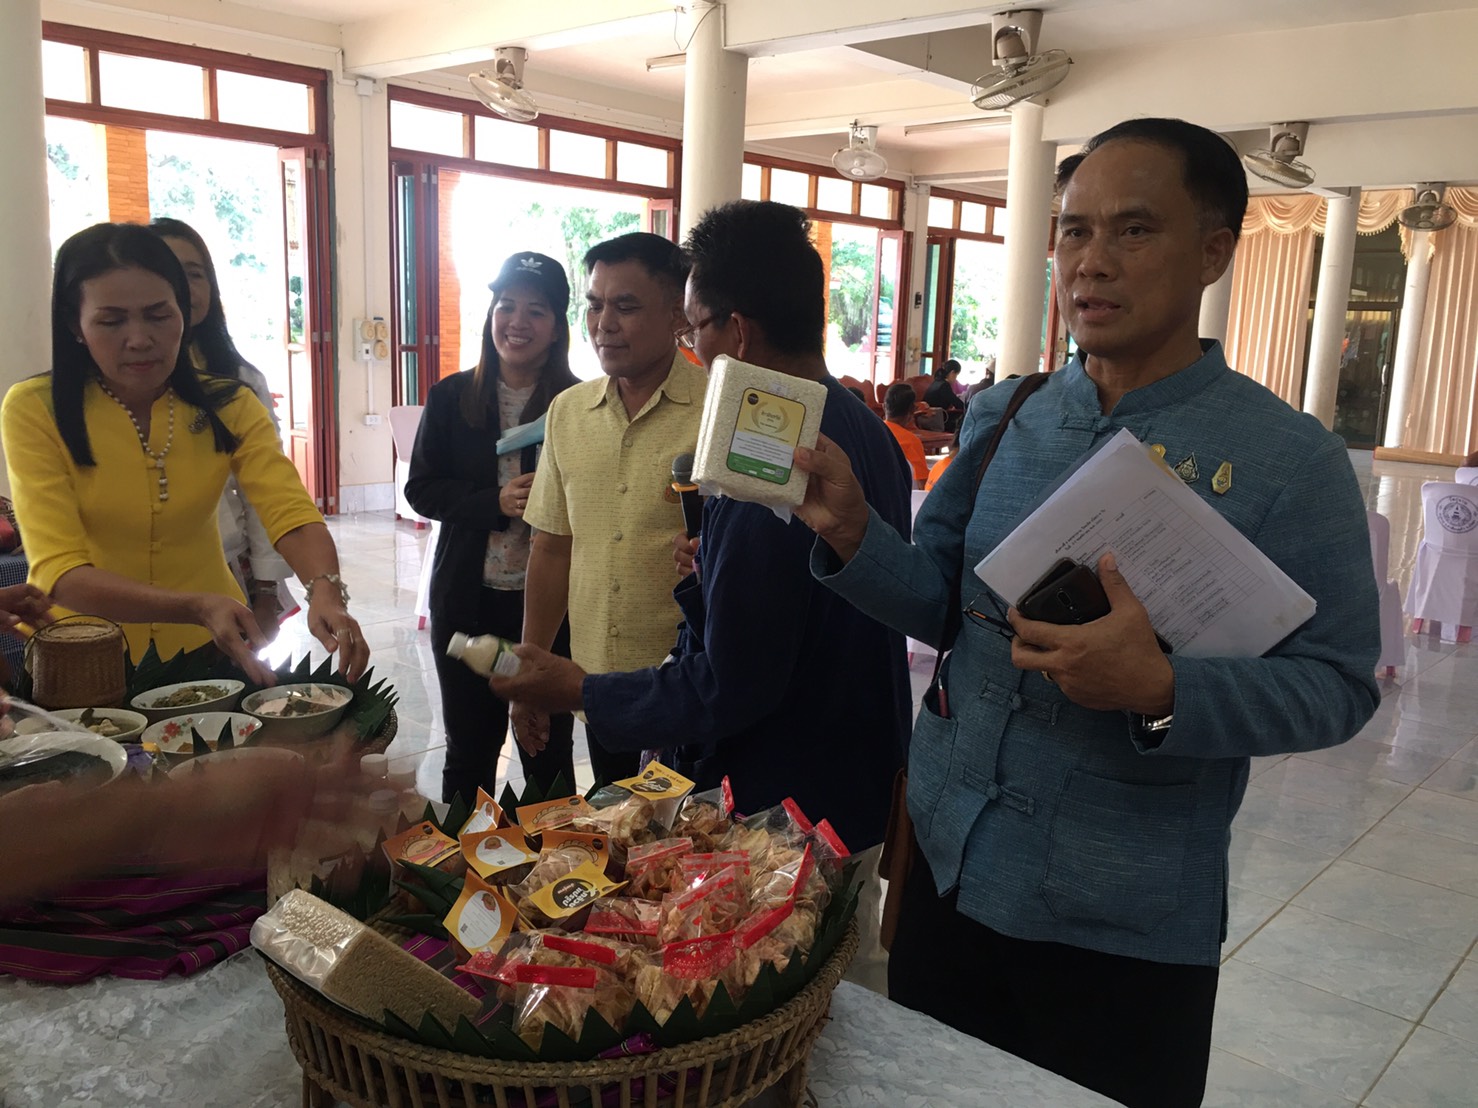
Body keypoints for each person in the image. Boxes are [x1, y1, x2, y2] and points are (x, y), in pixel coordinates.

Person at [792, 118, 1381, 1107]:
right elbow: (940, 605)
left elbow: (1336, 687)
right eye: (1070, 232)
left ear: (1212, 250)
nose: (1088, 263)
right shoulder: (1007, 413)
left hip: (1120, 919)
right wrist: (855, 536)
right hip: (949, 872)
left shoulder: (1288, 461)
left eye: (1132, 231)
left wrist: (1161, 689)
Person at [490, 200, 913, 989]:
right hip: (856, 767)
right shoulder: (859, 427)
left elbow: (734, 682)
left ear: (738, 333)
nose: (694, 349)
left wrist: (573, 685)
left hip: (787, 799)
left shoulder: (765, 445)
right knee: (845, 977)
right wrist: (716, 569)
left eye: (695, 330)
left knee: (788, 1004)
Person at [1, 223, 369, 685]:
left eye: (158, 314)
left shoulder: (230, 404)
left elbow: (288, 510)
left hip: (212, 649)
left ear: (185, 312)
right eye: (111, 321)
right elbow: (61, 570)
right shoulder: (36, 408)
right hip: (84, 652)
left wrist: (326, 590)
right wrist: (193, 606)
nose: (139, 338)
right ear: (76, 325)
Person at [517, 233, 705, 785]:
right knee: (616, 838)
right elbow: (551, 549)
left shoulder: (717, 412)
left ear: (677, 314)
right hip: (597, 688)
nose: (604, 323)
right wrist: (530, 670)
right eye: (594, 305)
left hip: (688, 689)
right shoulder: (569, 412)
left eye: (625, 307)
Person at [404, 252, 579, 803]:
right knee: (470, 750)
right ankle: (463, 875)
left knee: (547, 754)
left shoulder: (579, 406)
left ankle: (556, 874)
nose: (517, 322)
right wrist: (494, 501)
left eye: (537, 310)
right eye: (506, 306)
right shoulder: (453, 398)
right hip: (468, 600)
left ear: (557, 328)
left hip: (549, 610)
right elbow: (422, 489)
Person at [150, 217, 295, 641]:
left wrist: (265, 590)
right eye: (167, 273)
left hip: (228, 570)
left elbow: (265, 493)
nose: (182, 286)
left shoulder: (239, 381)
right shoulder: (108, 386)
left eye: (194, 274)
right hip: (140, 578)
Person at [881, 382, 928, 488]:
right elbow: (922, 483)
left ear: (884, 406)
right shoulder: (911, 441)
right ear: (912, 411)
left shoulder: (871, 432)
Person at [923, 359, 966, 431]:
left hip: (927, 417)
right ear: (952, 373)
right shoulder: (944, 385)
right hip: (936, 419)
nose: (955, 379)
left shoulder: (937, 381)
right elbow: (958, 404)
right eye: (956, 375)